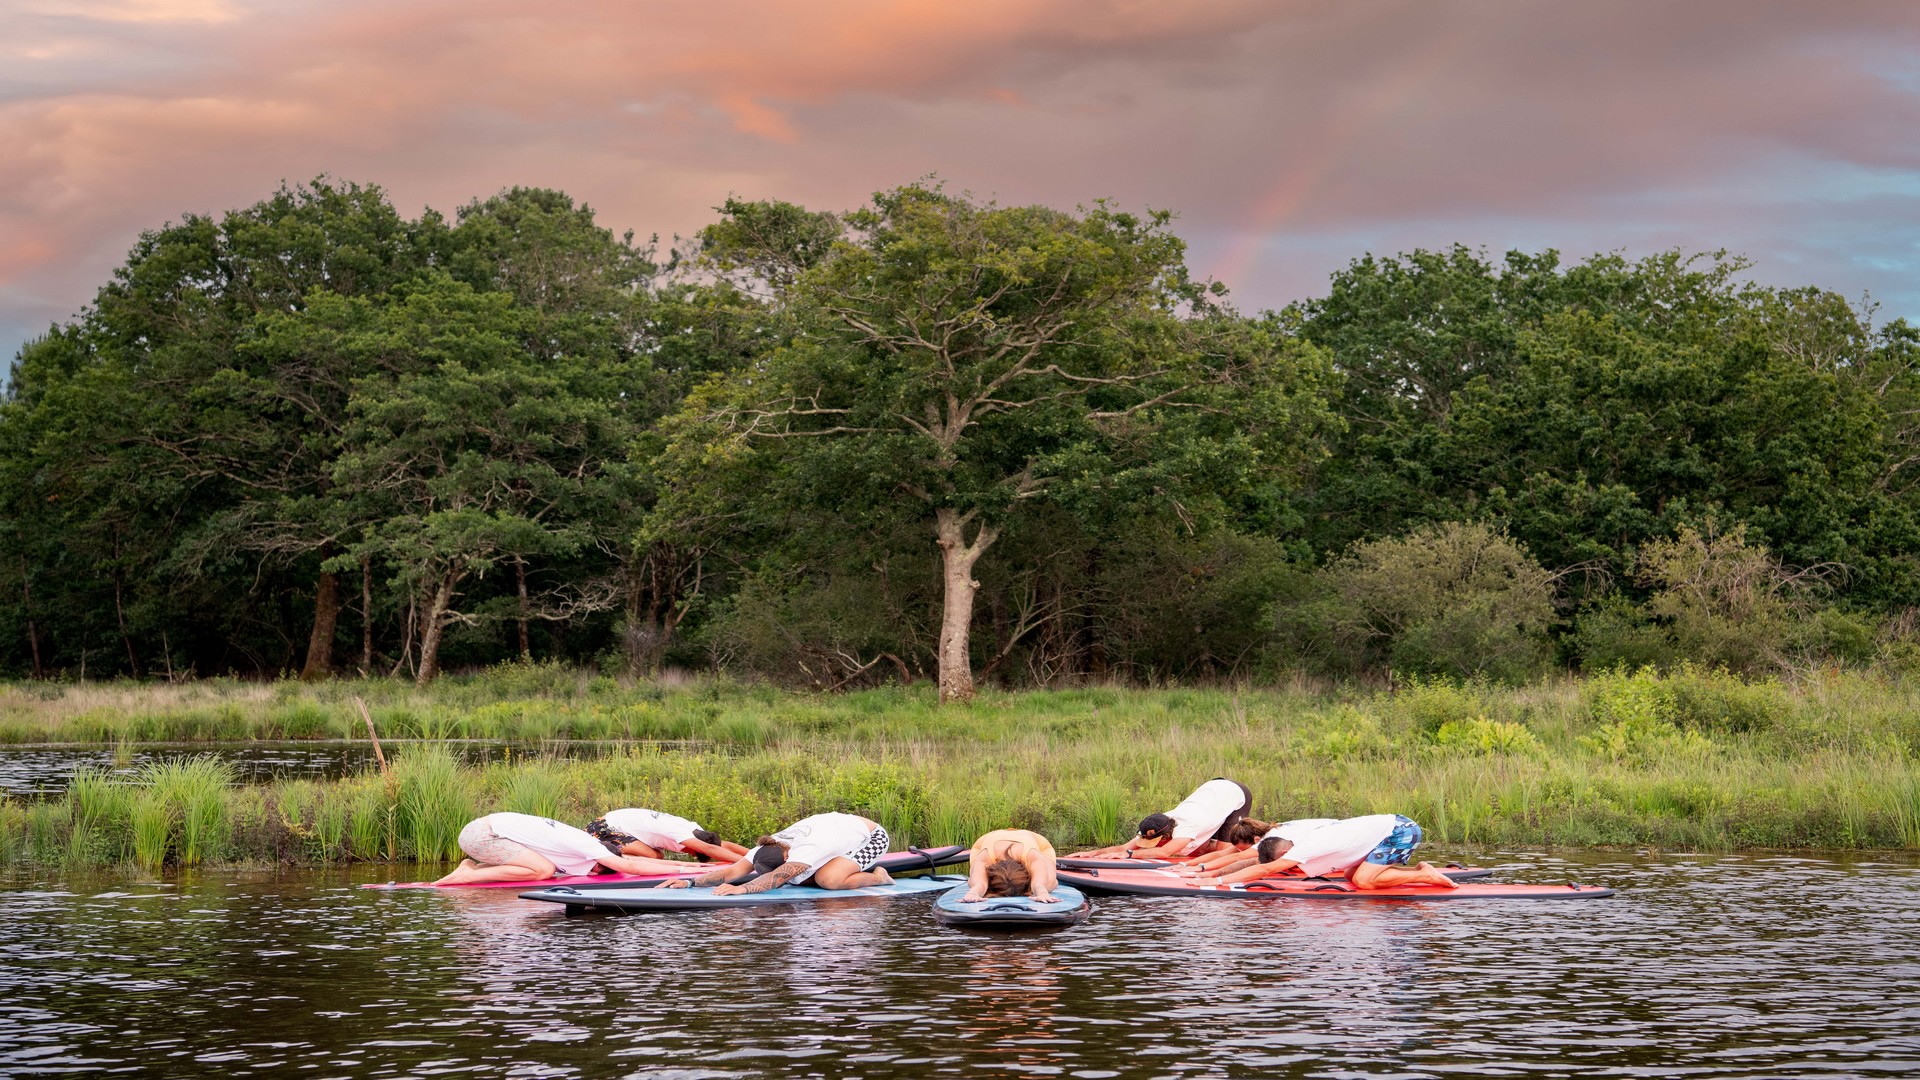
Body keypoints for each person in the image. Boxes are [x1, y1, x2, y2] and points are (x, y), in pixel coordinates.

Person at [1196, 813, 1457, 889]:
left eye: (1286, 862)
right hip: (1387, 829)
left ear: (1284, 853)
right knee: (1350, 876)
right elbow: (1257, 863)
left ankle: (1426, 876)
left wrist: (1214, 881)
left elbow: (1264, 868)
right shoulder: (1290, 842)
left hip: (1400, 830)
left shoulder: (1305, 847)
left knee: (1364, 881)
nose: (1290, 867)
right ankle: (1419, 870)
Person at [663, 811, 895, 895]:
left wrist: (741, 889)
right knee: (800, 880)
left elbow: (775, 879)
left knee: (829, 880)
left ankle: (878, 877)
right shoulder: (763, 848)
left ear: (786, 857)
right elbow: (732, 871)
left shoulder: (806, 850)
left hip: (870, 837)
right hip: (836, 833)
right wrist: (689, 883)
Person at [433, 811, 696, 885]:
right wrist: (688, 869)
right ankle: (469, 875)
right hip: (481, 835)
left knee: (543, 867)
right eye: (600, 870)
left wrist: (688, 866)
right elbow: (629, 866)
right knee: (542, 871)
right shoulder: (585, 844)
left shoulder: (586, 846)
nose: (593, 873)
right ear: (600, 857)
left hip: (486, 830)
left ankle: (471, 866)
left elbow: (634, 862)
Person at [1066, 777, 1253, 859]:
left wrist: (1129, 855)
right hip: (1213, 789)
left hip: (1235, 794)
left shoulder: (1186, 828)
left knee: (1219, 852)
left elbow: (1163, 853)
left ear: (1167, 835)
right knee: (1198, 850)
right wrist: (1092, 854)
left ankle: (1258, 843)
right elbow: (1123, 847)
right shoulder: (1160, 822)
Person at [583, 807, 747, 862]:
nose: (689, 853)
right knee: (653, 856)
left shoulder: (697, 830)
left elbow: (721, 845)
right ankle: (614, 860)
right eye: (692, 853)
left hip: (618, 823)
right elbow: (710, 850)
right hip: (603, 828)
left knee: (657, 855)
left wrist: (754, 854)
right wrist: (749, 863)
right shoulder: (681, 833)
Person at [961, 828, 1063, 904]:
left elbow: (1050, 883)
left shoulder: (1032, 856)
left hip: (1040, 845)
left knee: (1049, 881)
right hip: (985, 841)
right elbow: (978, 884)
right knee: (975, 877)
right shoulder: (985, 856)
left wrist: (1042, 892)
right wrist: (973, 893)